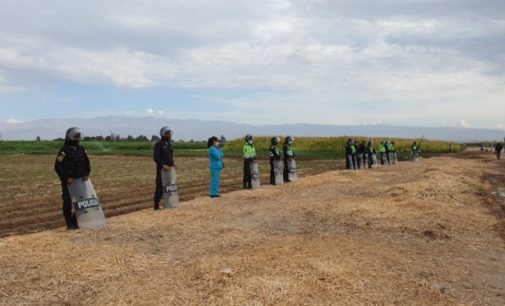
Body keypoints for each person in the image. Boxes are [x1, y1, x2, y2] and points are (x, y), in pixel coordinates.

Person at [54, 127, 90, 230]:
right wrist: (66, 178)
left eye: (79, 137)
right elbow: (57, 166)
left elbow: (87, 162)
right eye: (75, 137)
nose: (78, 139)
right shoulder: (63, 151)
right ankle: (69, 224)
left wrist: (86, 174)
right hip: (69, 182)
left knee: (83, 202)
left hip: (81, 180)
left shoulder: (82, 149)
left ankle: (75, 222)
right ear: (70, 137)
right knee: (68, 202)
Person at [153, 126, 175, 210]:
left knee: (169, 187)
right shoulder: (158, 144)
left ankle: (167, 203)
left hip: (170, 169)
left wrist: (173, 163)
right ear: (163, 134)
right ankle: (156, 205)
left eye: (169, 134)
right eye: (167, 134)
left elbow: (170, 156)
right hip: (162, 169)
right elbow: (156, 157)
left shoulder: (169, 144)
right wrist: (162, 165)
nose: (169, 135)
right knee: (160, 187)